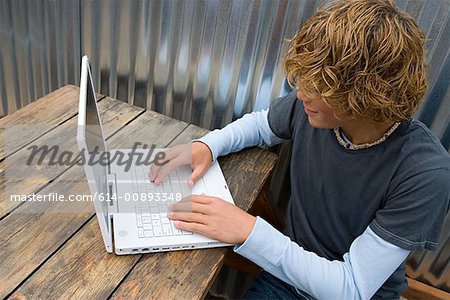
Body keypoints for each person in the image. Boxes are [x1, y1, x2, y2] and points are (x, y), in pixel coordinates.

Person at [150, 0, 450, 299]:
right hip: (286, 280)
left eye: (320, 87)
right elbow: (260, 125)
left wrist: (249, 231)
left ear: (366, 95)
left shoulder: (424, 173)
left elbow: (352, 288)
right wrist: (208, 145)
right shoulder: (311, 110)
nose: (302, 92)